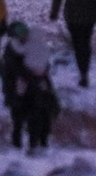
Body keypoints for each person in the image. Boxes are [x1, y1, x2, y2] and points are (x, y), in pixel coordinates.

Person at [4, 20, 60, 151]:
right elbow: (13, 69)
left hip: (32, 87)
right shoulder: (13, 49)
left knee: (38, 114)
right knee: (20, 117)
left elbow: (43, 63)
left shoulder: (31, 46)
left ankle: (37, 143)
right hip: (23, 88)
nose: (23, 37)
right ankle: (20, 145)